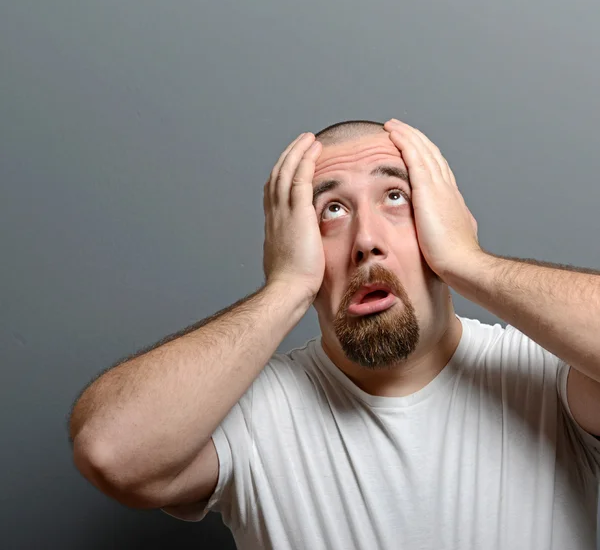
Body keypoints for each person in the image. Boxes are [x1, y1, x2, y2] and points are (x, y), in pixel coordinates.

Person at [69, 119, 600, 549]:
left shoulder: (550, 374)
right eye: (333, 211)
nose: (366, 240)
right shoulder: (252, 413)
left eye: (395, 197)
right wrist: (285, 287)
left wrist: (469, 262)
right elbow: (111, 452)